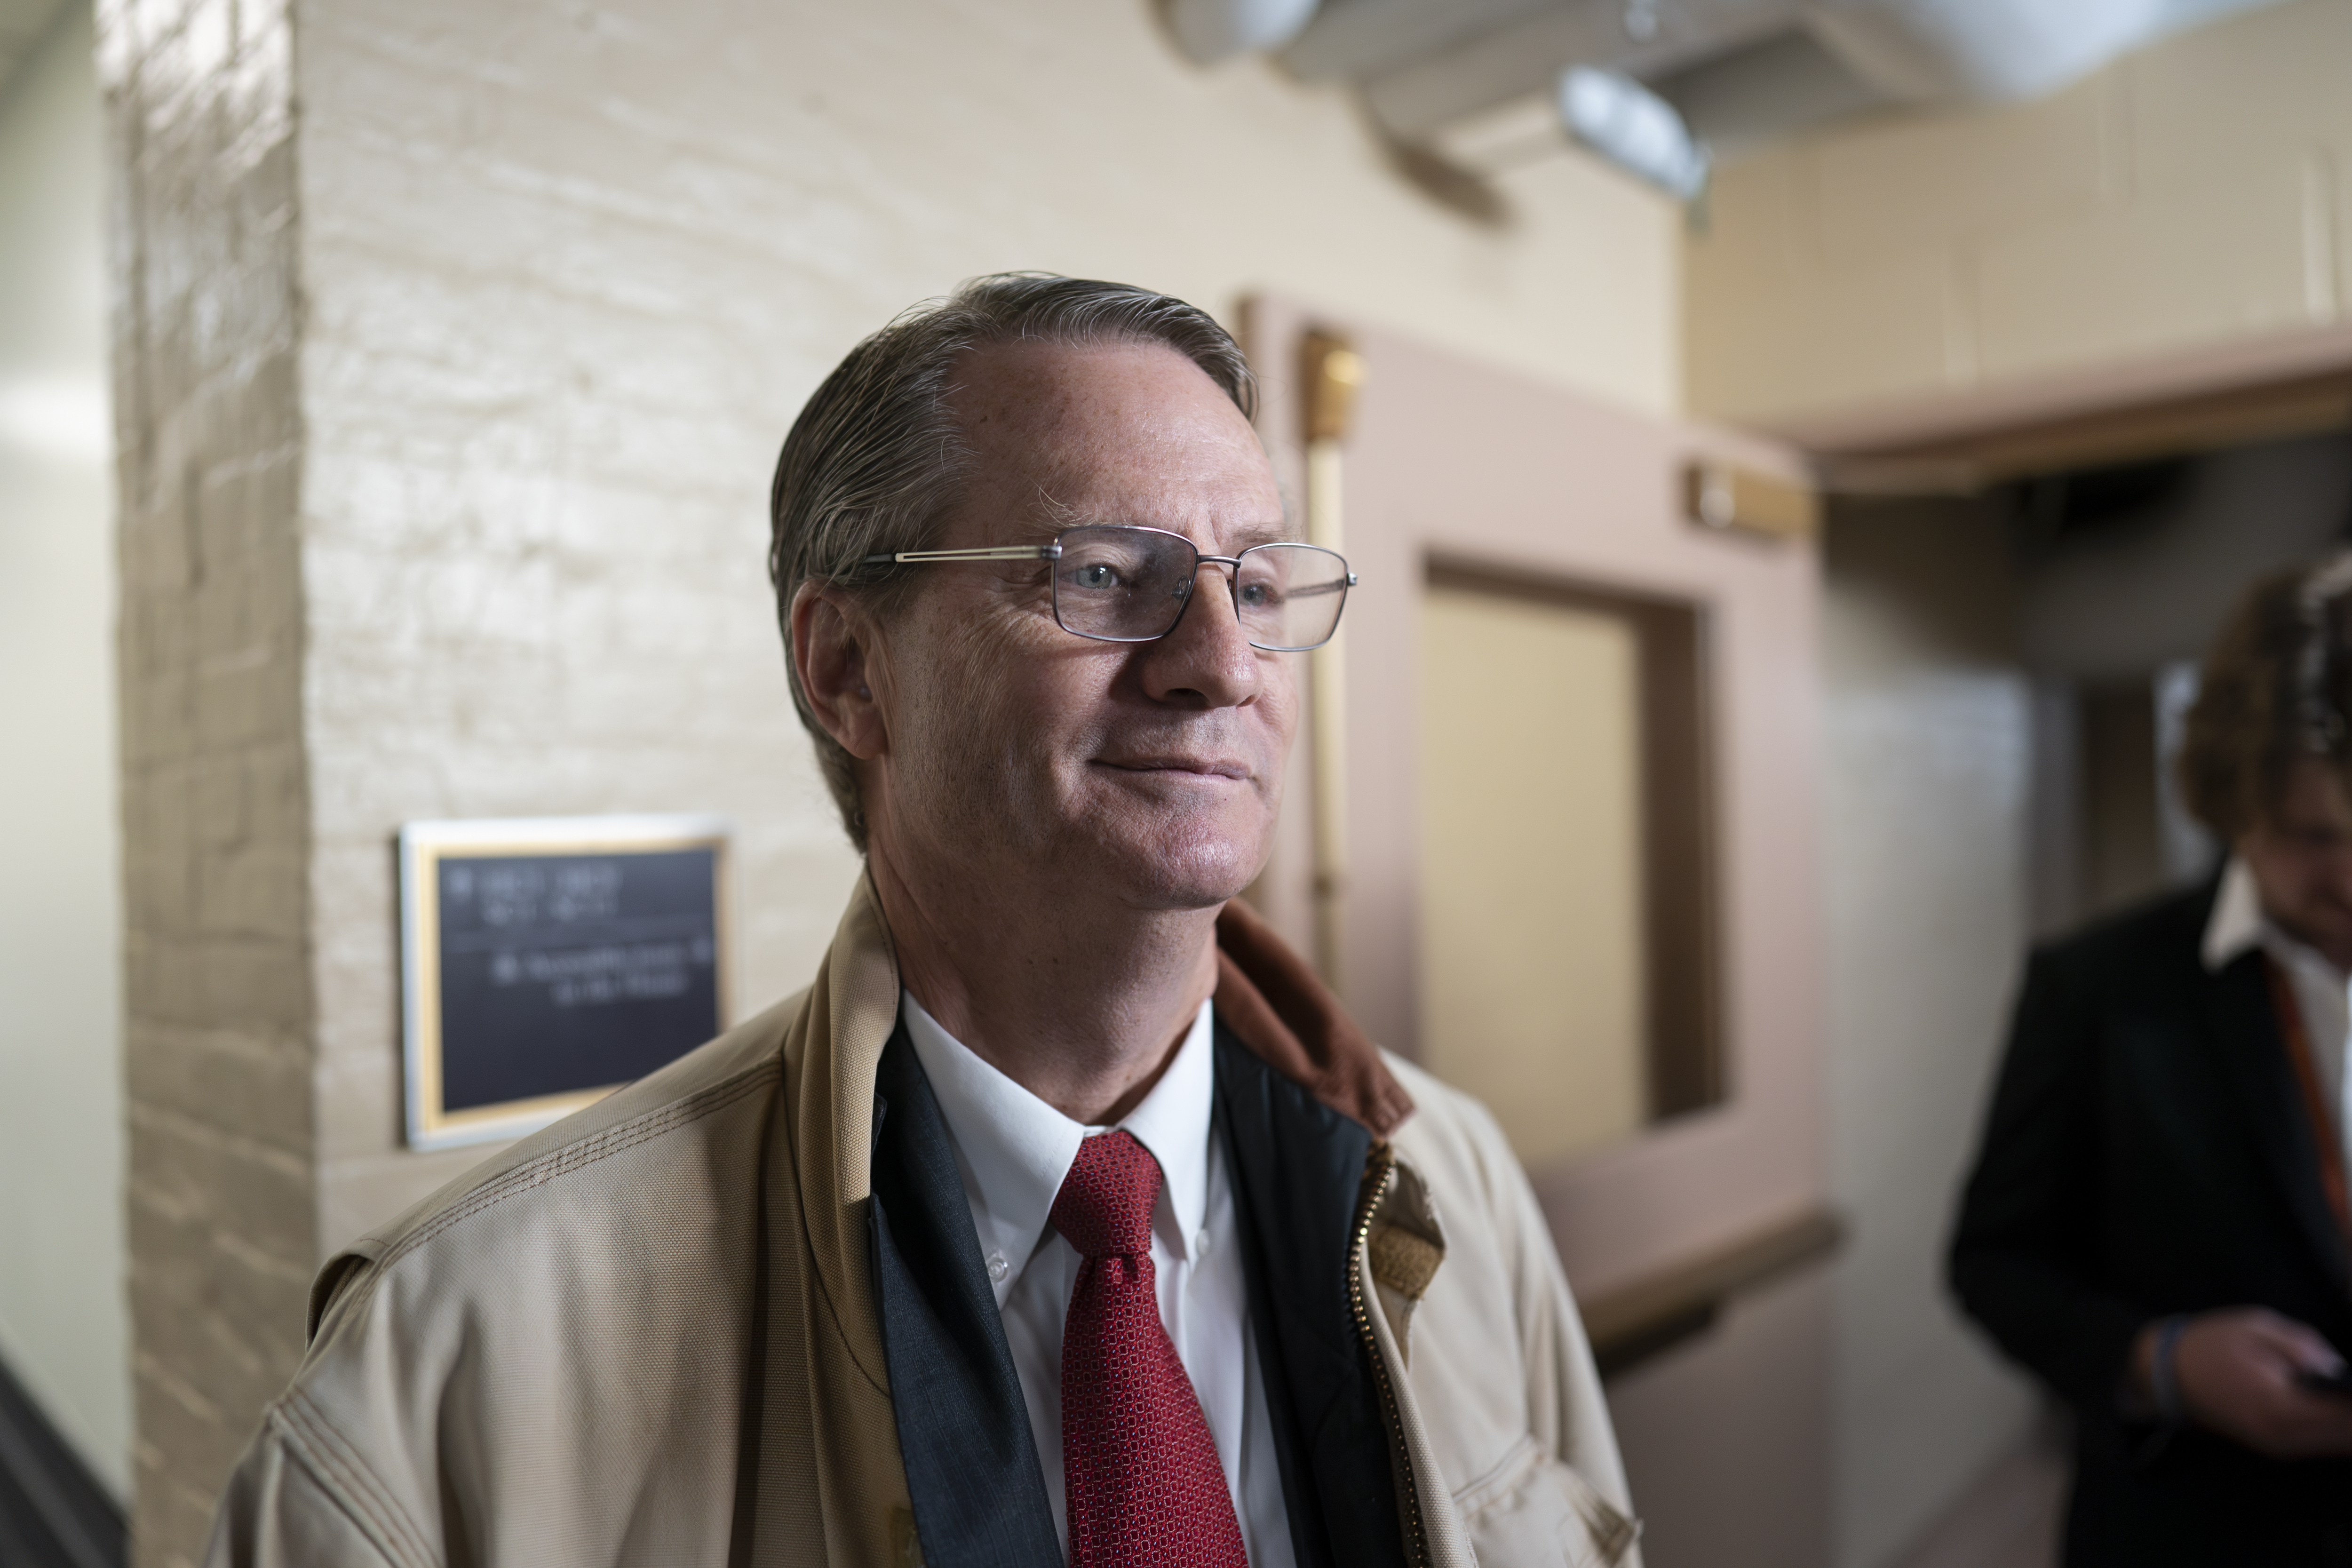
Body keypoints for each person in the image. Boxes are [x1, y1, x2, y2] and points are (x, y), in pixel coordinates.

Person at [205, 275, 1640, 1568]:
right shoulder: (455, 1359)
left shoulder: (1449, 1180)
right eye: (1101, 575)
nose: (1221, 663)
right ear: (848, 669)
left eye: (1255, 584)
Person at [1951, 556, 2352, 1566]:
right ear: (2230, 803)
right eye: (2312, 835)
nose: (2351, 879)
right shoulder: (2096, 989)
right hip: (2196, 1533)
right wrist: (2158, 1361)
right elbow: (1993, 1259)